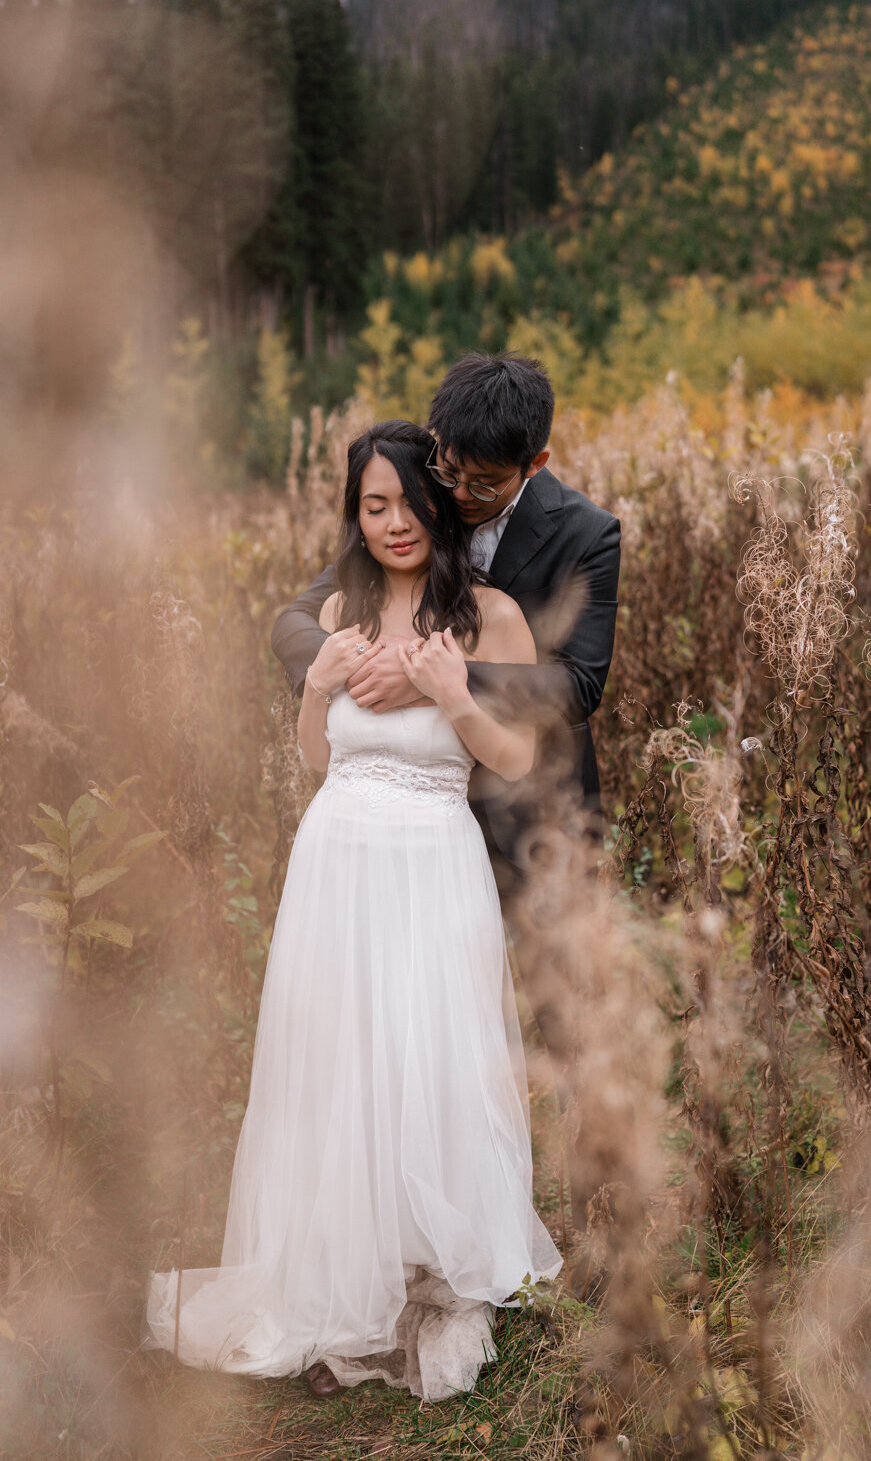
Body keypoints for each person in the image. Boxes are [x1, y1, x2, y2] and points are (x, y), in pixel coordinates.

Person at [142, 421, 562, 1402]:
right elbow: (316, 758)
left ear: (440, 502)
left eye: (410, 500)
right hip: (336, 859)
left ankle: (435, 1261)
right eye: (373, 506)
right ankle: (336, 1271)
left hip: (434, 857)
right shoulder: (337, 609)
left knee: (433, 1052)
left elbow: (522, 759)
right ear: (355, 516)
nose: (394, 521)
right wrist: (317, 687)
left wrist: (454, 698)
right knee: (337, 1065)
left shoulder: (490, 615)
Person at [272, 353, 622, 1228]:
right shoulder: (420, 493)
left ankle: (592, 1227)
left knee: (563, 1013)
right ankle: (394, 1218)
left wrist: (444, 675)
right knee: (408, 1023)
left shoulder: (586, 533)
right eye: (450, 471)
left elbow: (577, 689)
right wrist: (333, 677)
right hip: (397, 823)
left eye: (482, 482)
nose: (457, 496)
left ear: (533, 467)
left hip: (529, 809)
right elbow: (297, 615)